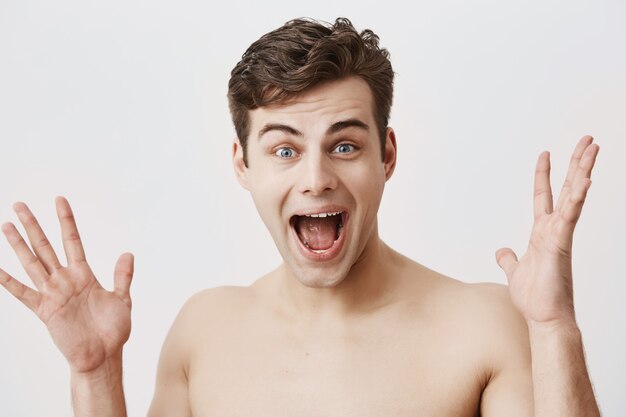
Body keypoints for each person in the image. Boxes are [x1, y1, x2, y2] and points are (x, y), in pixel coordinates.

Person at [0, 17, 602, 417]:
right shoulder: (203, 332)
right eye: (284, 150)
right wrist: (96, 375)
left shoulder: (481, 326)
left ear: (386, 154)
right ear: (243, 164)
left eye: (344, 145)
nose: (316, 178)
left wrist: (553, 329)